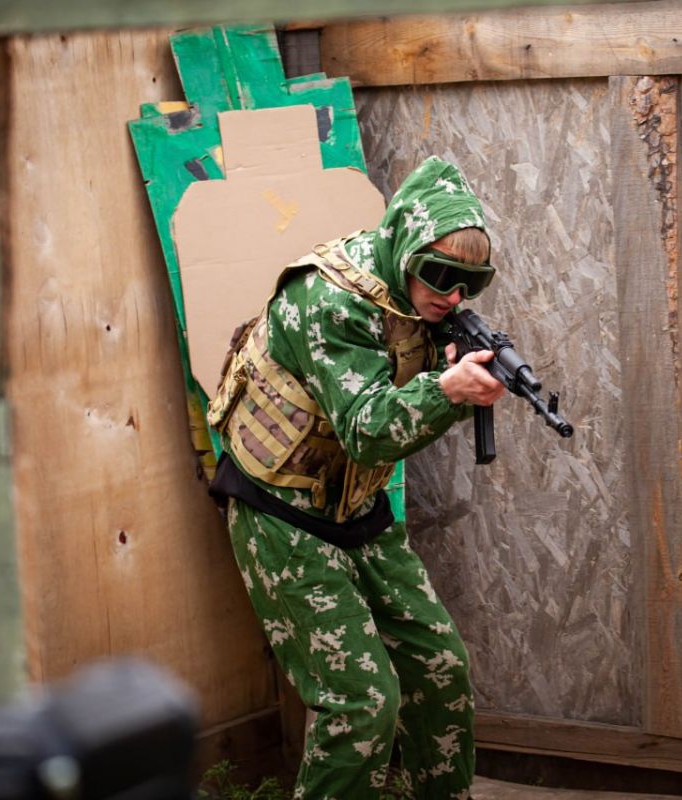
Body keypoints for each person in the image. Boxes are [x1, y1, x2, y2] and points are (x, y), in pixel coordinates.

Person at [205, 156, 506, 798]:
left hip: (357, 507)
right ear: (402, 247)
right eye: (440, 276)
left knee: (441, 669)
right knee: (362, 703)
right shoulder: (329, 300)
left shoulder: (425, 306)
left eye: (471, 284)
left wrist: (456, 377)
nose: (453, 297)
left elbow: (399, 416)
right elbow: (368, 429)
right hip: (282, 513)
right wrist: (447, 390)